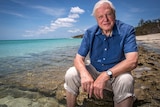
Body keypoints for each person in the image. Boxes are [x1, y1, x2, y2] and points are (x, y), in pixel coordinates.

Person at [64, 0, 138, 107]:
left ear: (114, 14)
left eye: (108, 14)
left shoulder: (127, 30)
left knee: (126, 79)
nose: (105, 20)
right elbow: (78, 59)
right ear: (96, 19)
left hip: (116, 74)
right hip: (95, 70)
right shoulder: (90, 32)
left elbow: (132, 61)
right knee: (71, 73)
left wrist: (105, 75)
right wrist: (85, 74)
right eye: (100, 17)